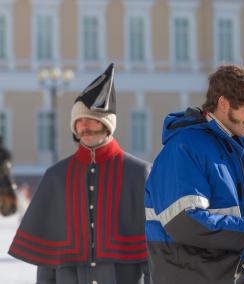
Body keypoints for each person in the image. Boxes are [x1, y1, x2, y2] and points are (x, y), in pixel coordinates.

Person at [9, 64, 152, 284]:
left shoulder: (139, 173)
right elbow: (47, 261)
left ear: (107, 125)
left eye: (91, 119)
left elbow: (153, 251)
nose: (83, 125)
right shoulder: (56, 176)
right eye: (78, 120)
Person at [145, 65, 244, 284]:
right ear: (223, 103)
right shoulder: (184, 148)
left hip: (232, 275)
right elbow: (184, 221)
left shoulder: (240, 147)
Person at [0, 135, 17, 217]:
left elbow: (8, 163)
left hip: (4, 176)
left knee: (12, 187)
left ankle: (14, 205)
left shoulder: (5, 152)